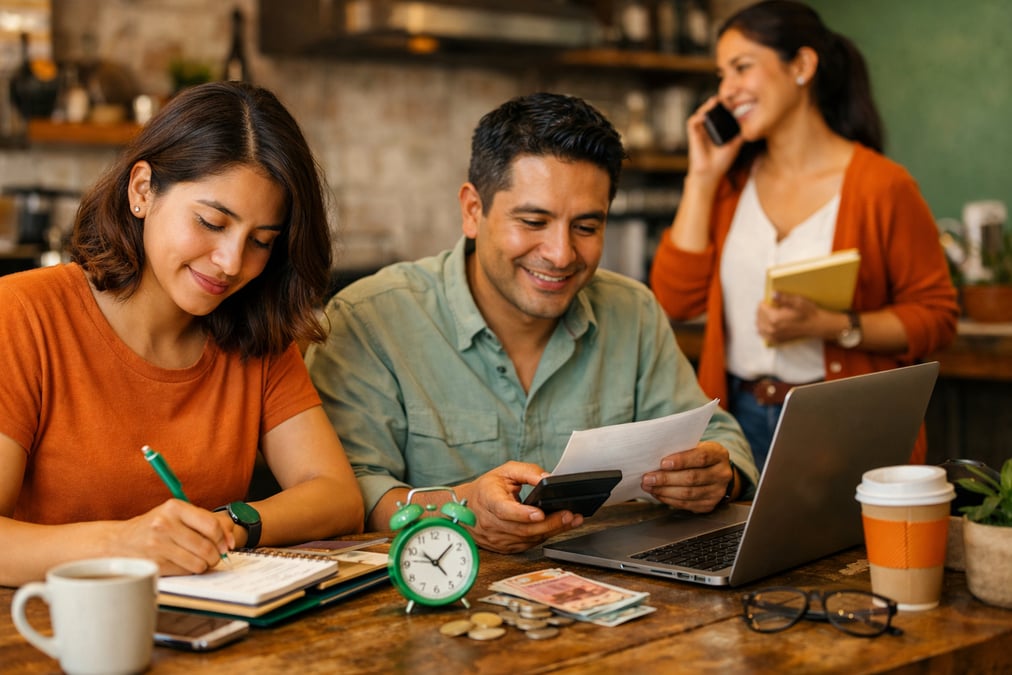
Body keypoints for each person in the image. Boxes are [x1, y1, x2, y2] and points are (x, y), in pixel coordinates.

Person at [306, 92, 758, 554]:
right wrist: (456, 507)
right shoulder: (368, 320)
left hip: (615, 592)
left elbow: (717, 439)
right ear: (472, 211)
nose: (561, 254)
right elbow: (345, 492)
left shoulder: (632, 311)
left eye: (586, 227)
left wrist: (718, 476)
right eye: (534, 220)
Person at [0, 82, 364, 587]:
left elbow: (336, 495)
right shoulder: (23, 313)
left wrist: (227, 527)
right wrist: (126, 544)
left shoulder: (256, 331)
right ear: (142, 191)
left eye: (261, 242)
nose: (232, 263)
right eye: (211, 222)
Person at [649, 0, 958, 470]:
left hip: (839, 419)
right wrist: (703, 177)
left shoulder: (883, 186)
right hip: (737, 421)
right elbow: (674, 299)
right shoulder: (730, 186)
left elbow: (936, 318)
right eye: (720, 75)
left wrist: (832, 326)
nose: (726, 91)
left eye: (741, 68)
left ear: (802, 65)